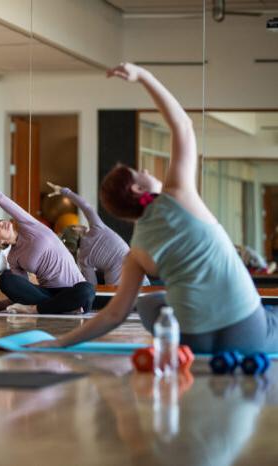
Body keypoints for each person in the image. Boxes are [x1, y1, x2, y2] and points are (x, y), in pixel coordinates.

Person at [32, 63, 278, 354]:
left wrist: (60, 342)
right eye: (140, 172)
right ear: (138, 189)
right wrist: (144, 77)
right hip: (244, 329)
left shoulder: (136, 250)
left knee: (150, 301)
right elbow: (182, 126)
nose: (147, 169)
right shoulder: (179, 195)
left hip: (192, 340)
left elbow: (114, 314)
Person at [0, 167, 95, 314]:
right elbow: (23, 291)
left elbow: (0, 198)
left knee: (87, 290)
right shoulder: (13, 258)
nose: (1, 223)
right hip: (48, 294)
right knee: (5, 279)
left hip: (74, 289)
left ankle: (42, 309)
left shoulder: (28, 225)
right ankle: (57, 307)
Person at [47, 182, 150, 286]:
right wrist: (64, 191)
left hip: (115, 282)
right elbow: (85, 206)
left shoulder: (83, 258)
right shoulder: (97, 227)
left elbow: (92, 285)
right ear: (77, 229)